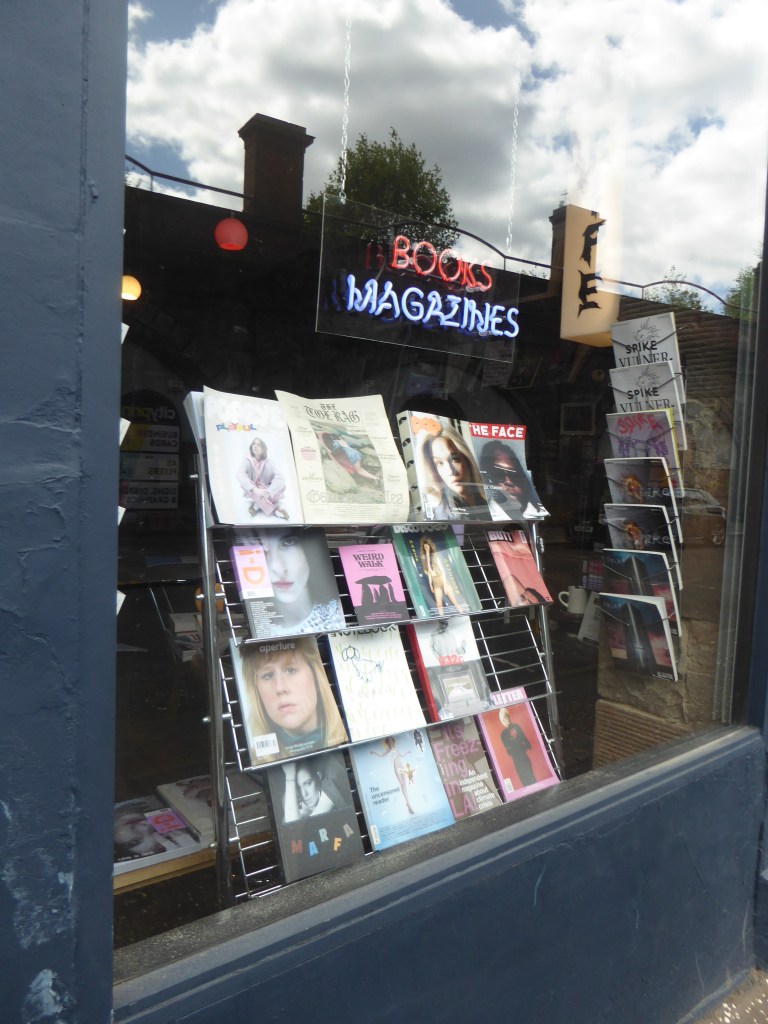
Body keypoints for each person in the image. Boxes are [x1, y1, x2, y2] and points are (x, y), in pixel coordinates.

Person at [240, 637, 348, 760]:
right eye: (267, 675)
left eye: (291, 670)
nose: (280, 688)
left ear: (316, 675)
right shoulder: (256, 761)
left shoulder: (354, 734)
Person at [251, 527, 344, 634]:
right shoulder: (254, 628)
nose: (278, 568)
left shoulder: (339, 614)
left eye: (288, 542)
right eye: (260, 548)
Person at [418, 426, 487, 520]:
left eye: (454, 458)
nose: (450, 471)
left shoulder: (487, 502)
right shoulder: (444, 515)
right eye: (439, 463)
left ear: (467, 459)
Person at [478, 440, 547, 519]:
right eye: (499, 474)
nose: (508, 482)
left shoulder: (537, 513)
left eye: (513, 474)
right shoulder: (482, 516)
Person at [236, 437, 290, 520]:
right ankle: (274, 511)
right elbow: (239, 474)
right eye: (254, 444)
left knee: (281, 486)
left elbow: (281, 477)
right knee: (247, 484)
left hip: (266, 489)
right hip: (253, 489)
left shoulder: (270, 462)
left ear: (263, 449)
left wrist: (269, 491)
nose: (255, 446)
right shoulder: (247, 459)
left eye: (258, 445)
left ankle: (257, 505)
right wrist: (255, 489)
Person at [419, 534, 464, 615]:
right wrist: (431, 585)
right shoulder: (425, 560)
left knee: (454, 601)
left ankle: (462, 613)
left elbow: (442, 572)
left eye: (427, 546)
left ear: (430, 546)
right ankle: (442, 618)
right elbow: (429, 574)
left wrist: (445, 586)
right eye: (425, 547)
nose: (426, 548)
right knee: (439, 605)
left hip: (442, 580)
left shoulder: (435, 557)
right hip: (435, 583)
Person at [370, 736, 415, 815]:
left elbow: (401, 755)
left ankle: (408, 803)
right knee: (402, 784)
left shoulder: (396, 749)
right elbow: (381, 755)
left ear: (393, 741)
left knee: (404, 785)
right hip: (396, 768)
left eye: (391, 740)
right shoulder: (388, 750)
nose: (390, 741)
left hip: (401, 766)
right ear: (387, 742)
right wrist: (374, 752)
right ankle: (408, 804)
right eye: (389, 740)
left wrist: (407, 752)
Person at [498, 708, 536, 787]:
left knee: (532, 778)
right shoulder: (503, 734)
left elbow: (527, 743)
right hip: (517, 762)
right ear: (502, 720)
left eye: (508, 716)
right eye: (505, 718)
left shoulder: (516, 727)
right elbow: (509, 750)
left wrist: (518, 746)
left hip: (525, 759)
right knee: (524, 782)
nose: (507, 719)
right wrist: (519, 745)